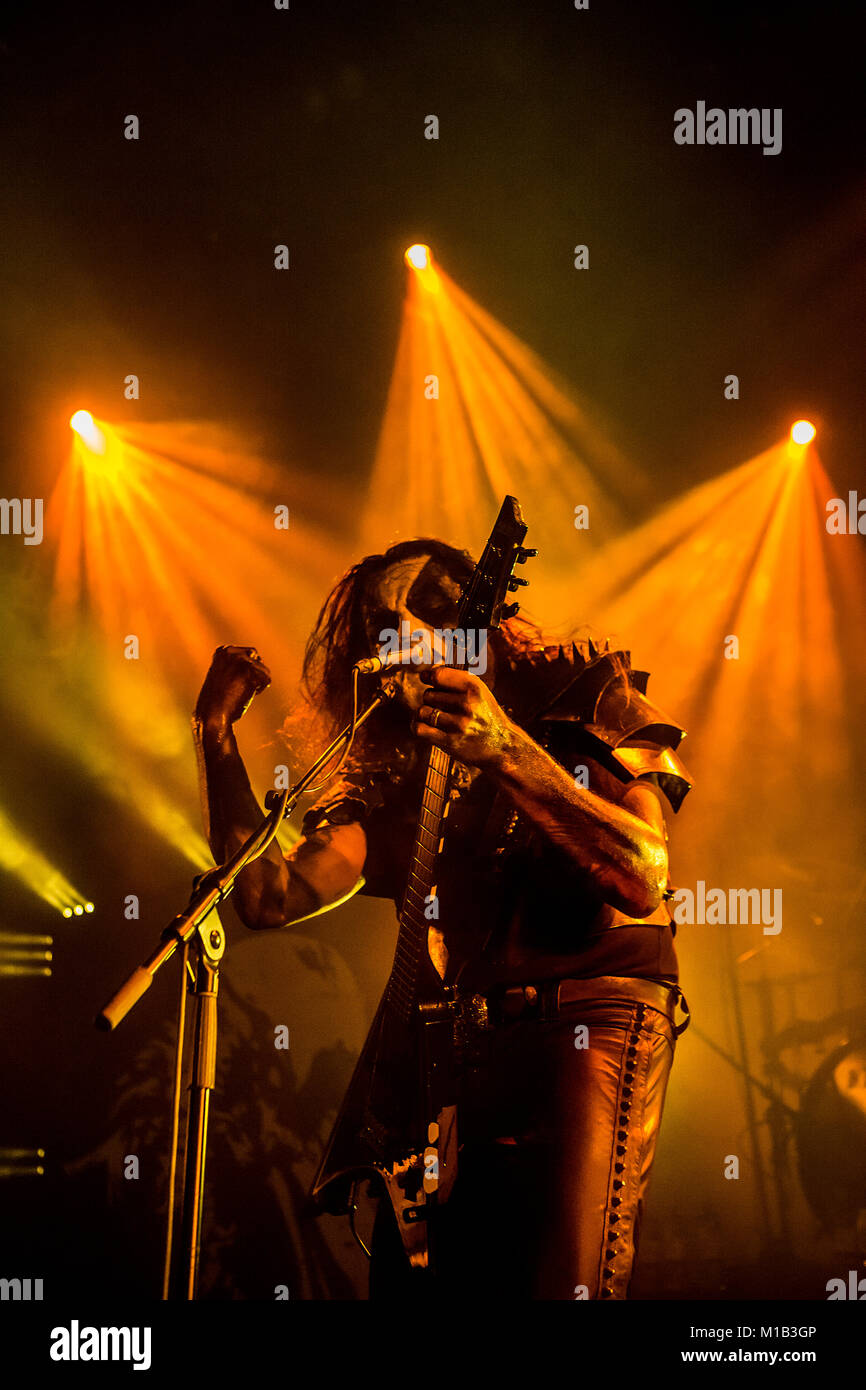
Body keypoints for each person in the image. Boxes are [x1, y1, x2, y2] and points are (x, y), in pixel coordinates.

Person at [192, 538, 692, 1300]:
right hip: (461, 1057)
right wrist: (216, 738)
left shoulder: (583, 687)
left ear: (483, 617)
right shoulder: (400, 777)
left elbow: (642, 873)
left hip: (590, 1021)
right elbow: (267, 896)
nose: (393, 639)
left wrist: (506, 751)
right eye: (375, 628)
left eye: (418, 613)